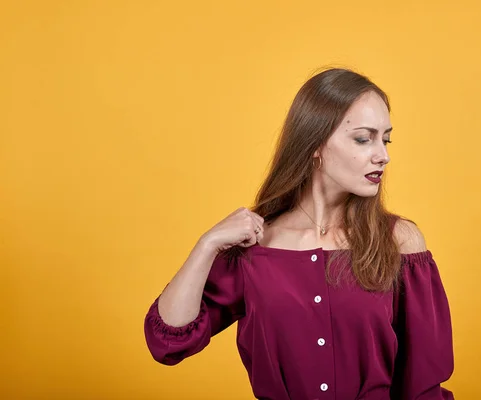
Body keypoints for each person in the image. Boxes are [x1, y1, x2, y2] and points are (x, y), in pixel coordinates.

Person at [144, 67, 455, 399]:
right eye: (364, 139)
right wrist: (206, 245)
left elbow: (423, 384)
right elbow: (170, 341)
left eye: (386, 139)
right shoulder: (256, 246)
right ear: (316, 144)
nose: (383, 155)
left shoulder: (399, 241)